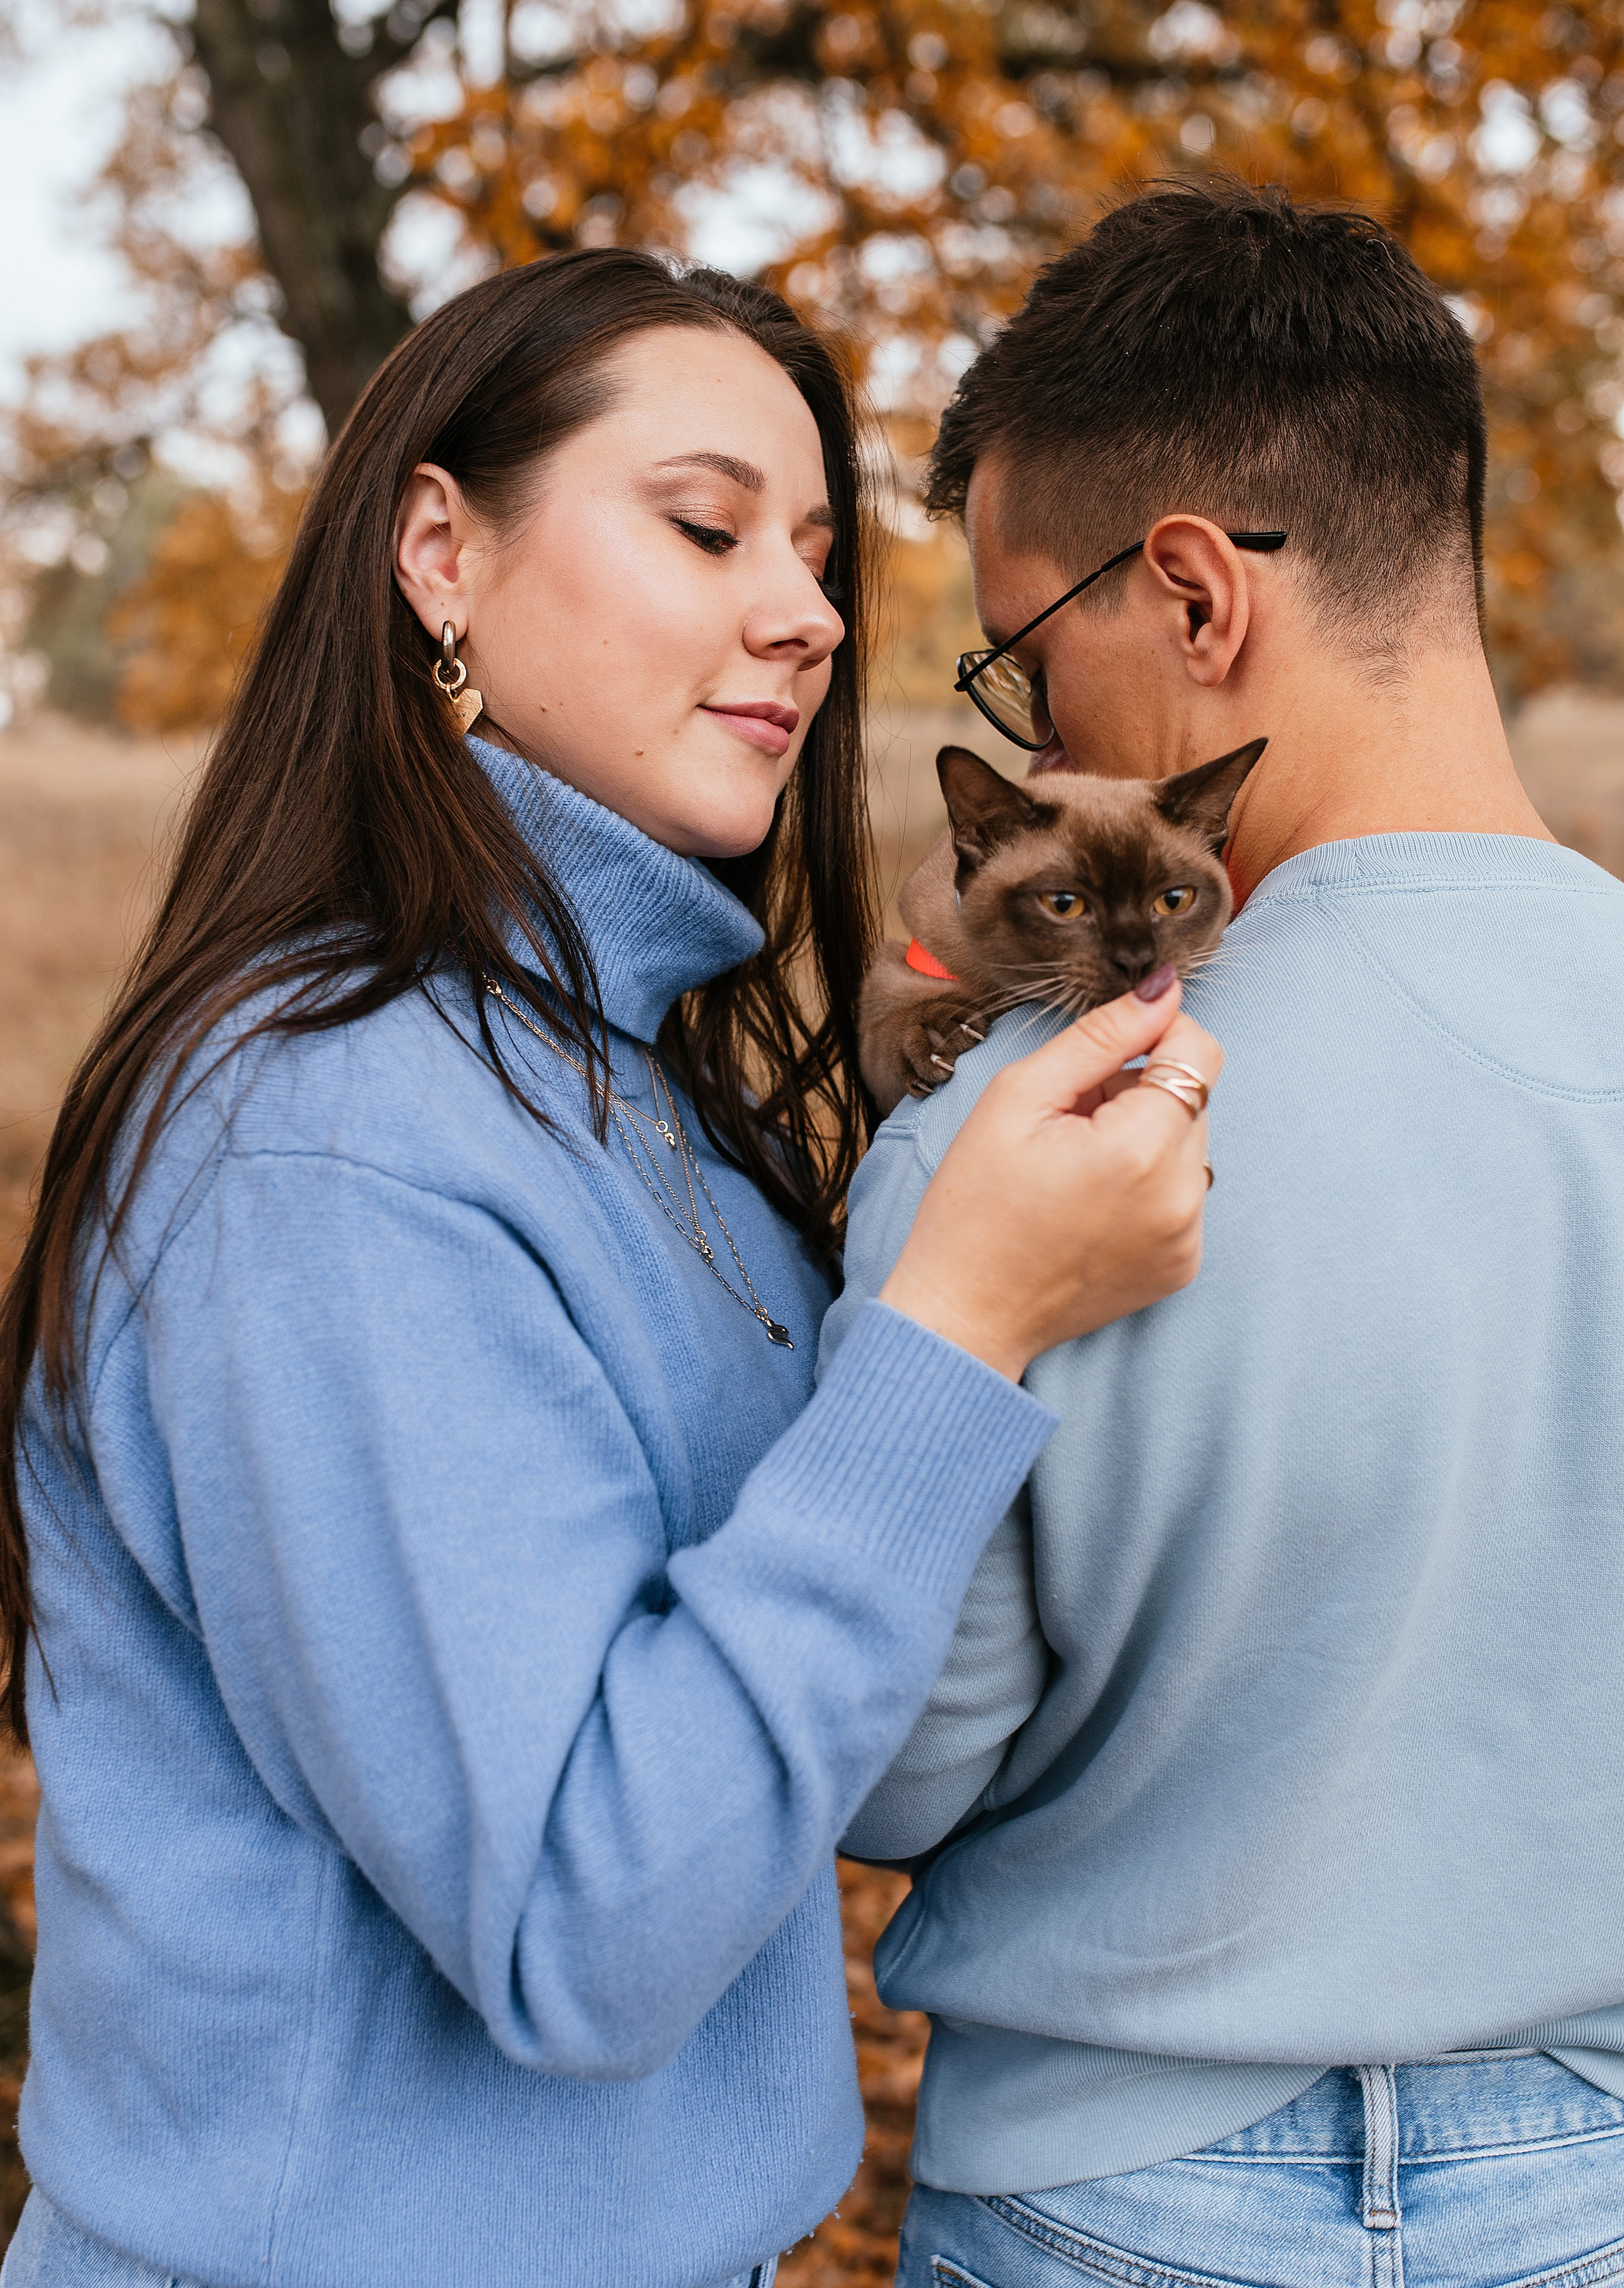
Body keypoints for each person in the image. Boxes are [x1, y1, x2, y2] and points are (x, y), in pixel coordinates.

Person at [0, 248, 1218, 2288]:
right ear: (439, 553)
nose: (810, 614)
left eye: (819, 555)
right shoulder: (328, 1151)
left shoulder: (619, 1081)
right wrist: (960, 1326)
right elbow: (591, 1920)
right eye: (707, 526)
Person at [826, 179, 1624, 2288]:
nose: (1033, 738)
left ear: (1192, 595)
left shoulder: (1003, 1134)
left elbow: (894, 1777)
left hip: (1112, 2191)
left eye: (1025, 660)